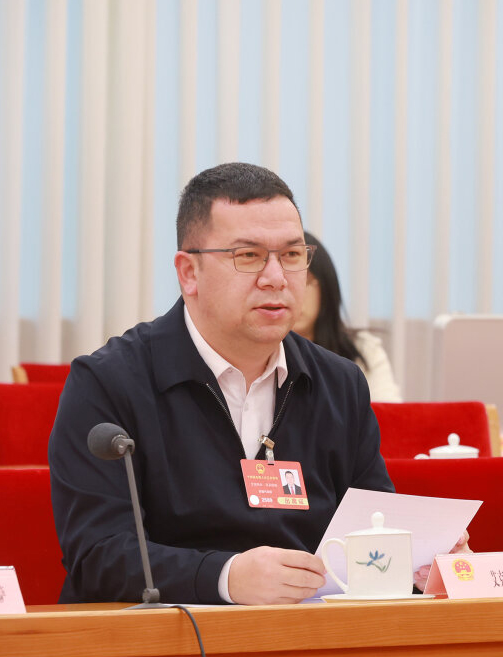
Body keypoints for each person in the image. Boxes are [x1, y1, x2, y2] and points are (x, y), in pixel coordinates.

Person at [48, 163, 462, 606]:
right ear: (189, 273)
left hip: (309, 631)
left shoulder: (340, 384)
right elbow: (98, 553)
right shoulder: (109, 382)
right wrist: (226, 577)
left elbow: (370, 531)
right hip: (163, 632)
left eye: (292, 255)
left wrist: (418, 562)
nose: (276, 277)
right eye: (248, 256)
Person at [293, 231, 402, 402]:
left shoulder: (362, 350)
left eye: (305, 281)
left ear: (327, 285)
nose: (295, 295)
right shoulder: (259, 357)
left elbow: (387, 413)